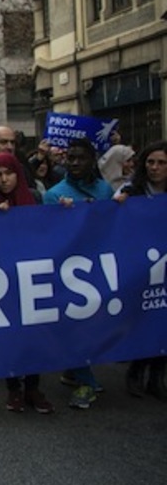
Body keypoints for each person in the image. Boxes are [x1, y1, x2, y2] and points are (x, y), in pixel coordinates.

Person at [0, 154, 55, 414]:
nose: (4, 180)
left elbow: (50, 228)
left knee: (35, 333)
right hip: (4, 280)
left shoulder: (36, 197)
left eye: (8, 173)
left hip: (34, 275)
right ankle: (13, 388)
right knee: (9, 335)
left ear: (18, 174)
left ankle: (33, 387)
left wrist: (67, 211)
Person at [43, 138, 114, 409]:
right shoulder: (54, 195)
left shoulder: (105, 190)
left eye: (80, 158)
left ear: (91, 160)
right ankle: (87, 383)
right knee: (72, 327)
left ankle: (74, 370)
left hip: (98, 268)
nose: (73, 163)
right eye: (69, 157)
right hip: (68, 273)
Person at [114, 140, 167, 400]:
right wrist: (118, 204)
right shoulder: (132, 191)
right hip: (140, 265)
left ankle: (158, 377)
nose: (155, 168)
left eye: (161, 163)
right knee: (143, 318)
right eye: (151, 162)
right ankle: (136, 371)